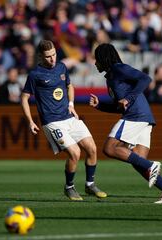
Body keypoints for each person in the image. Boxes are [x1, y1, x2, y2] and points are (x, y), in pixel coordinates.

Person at [90, 43, 162, 204]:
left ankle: (152, 165)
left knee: (109, 148)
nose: (95, 63)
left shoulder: (118, 68)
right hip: (143, 117)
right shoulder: (111, 77)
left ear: (103, 59)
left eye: (96, 59)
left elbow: (145, 79)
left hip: (136, 115)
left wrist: (129, 98)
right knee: (137, 160)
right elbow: (120, 106)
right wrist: (100, 106)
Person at [21, 40, 107, 201]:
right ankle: (69, 187)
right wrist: (30, 121)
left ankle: (90, 185)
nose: (52, 59)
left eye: (53, 54)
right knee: (75, 153)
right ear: (41, 57)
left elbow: (69, 86)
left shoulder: (61, 67)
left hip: (69, 117)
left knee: (92, 148)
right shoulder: (35, 75)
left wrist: (71, 104)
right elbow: (24, 98)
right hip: (52, 121)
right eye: (48, 56)